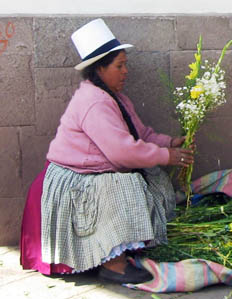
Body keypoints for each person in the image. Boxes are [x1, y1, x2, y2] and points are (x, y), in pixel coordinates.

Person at [20, 18, 194, 284]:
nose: (126, 71)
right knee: (123, 184)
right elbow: (122, 153)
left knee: (146, 176)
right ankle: (114, 263)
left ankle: (127, 246)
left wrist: (170, 143)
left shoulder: (115, 97)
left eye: (125, 65)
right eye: (119, 65)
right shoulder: (93, 102)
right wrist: (166, 157)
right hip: (73, 179)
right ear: (99, 69)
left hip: (92, 171)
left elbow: (140, 134)